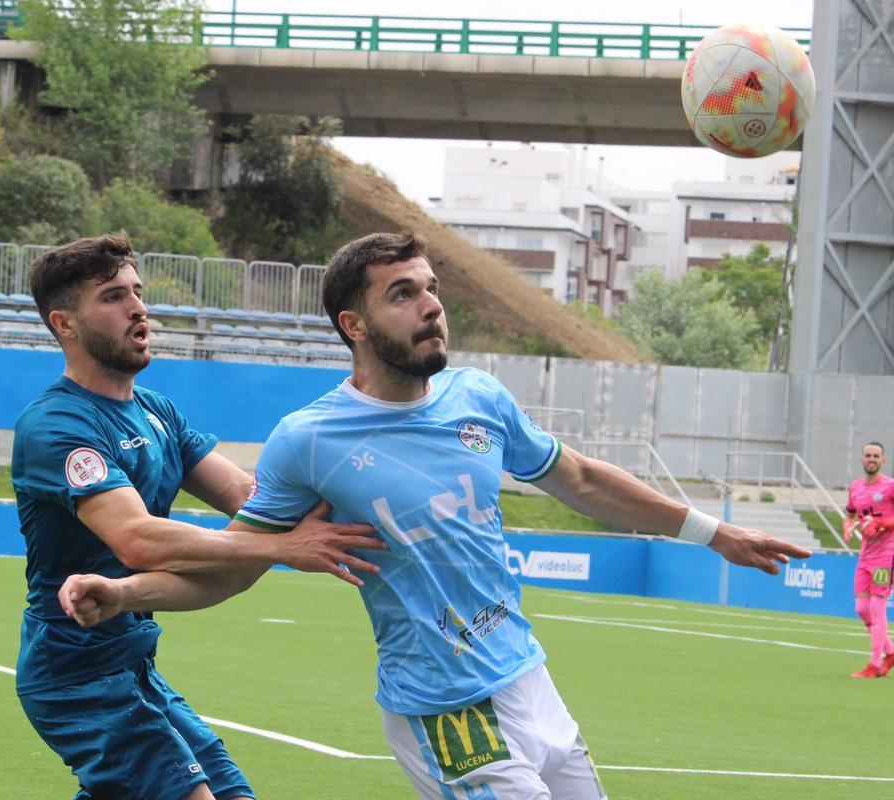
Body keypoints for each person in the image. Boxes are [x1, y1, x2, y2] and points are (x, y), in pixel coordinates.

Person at [58, 232, 812, 800]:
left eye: (431, 288)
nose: (431, 306)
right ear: (354, 325)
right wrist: (125, 593)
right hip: (443, 706)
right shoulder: (309, 441)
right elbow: (234, 565)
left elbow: (580, 480)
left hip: (528, 677)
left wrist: (715, 533)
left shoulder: (480, 399)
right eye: (403, 295)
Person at [12, 233, 384, 800]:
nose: (138, 307)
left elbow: (248, 494)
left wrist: (356, 486)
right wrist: (281, 548)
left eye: (137, 291)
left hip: (131, 663)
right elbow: (138, 539)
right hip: (74, 672)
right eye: (113, 297)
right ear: (64, 324)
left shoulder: (155, 411)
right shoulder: (56, 426)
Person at [843, 441, 894, 678]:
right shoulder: (855, 487)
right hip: (865, 554)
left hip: (887, 554)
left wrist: (880, 524)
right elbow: (850, 513)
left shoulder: (890, 486)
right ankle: (890, 652)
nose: (872, 459)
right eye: (868, 455)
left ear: (883, 461)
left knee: (876, 605)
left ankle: (874, 665)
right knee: (862, 607)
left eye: (876, 455)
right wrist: (847, 527)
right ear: (861, 460)